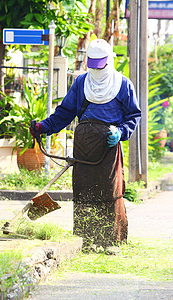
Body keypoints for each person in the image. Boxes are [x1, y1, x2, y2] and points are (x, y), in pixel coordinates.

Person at [30, 39, 141, 251]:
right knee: (83, 190)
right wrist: (44, 127)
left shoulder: (123, 84)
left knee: (110, 191)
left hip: (108, 146)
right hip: (83, 145)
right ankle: (85, 239)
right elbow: (65, 113)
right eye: (94, 66)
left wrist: (120, 132)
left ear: (109, 61)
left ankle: (110, 241)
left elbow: (133, 115)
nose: (97, 71)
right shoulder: (82, 83)